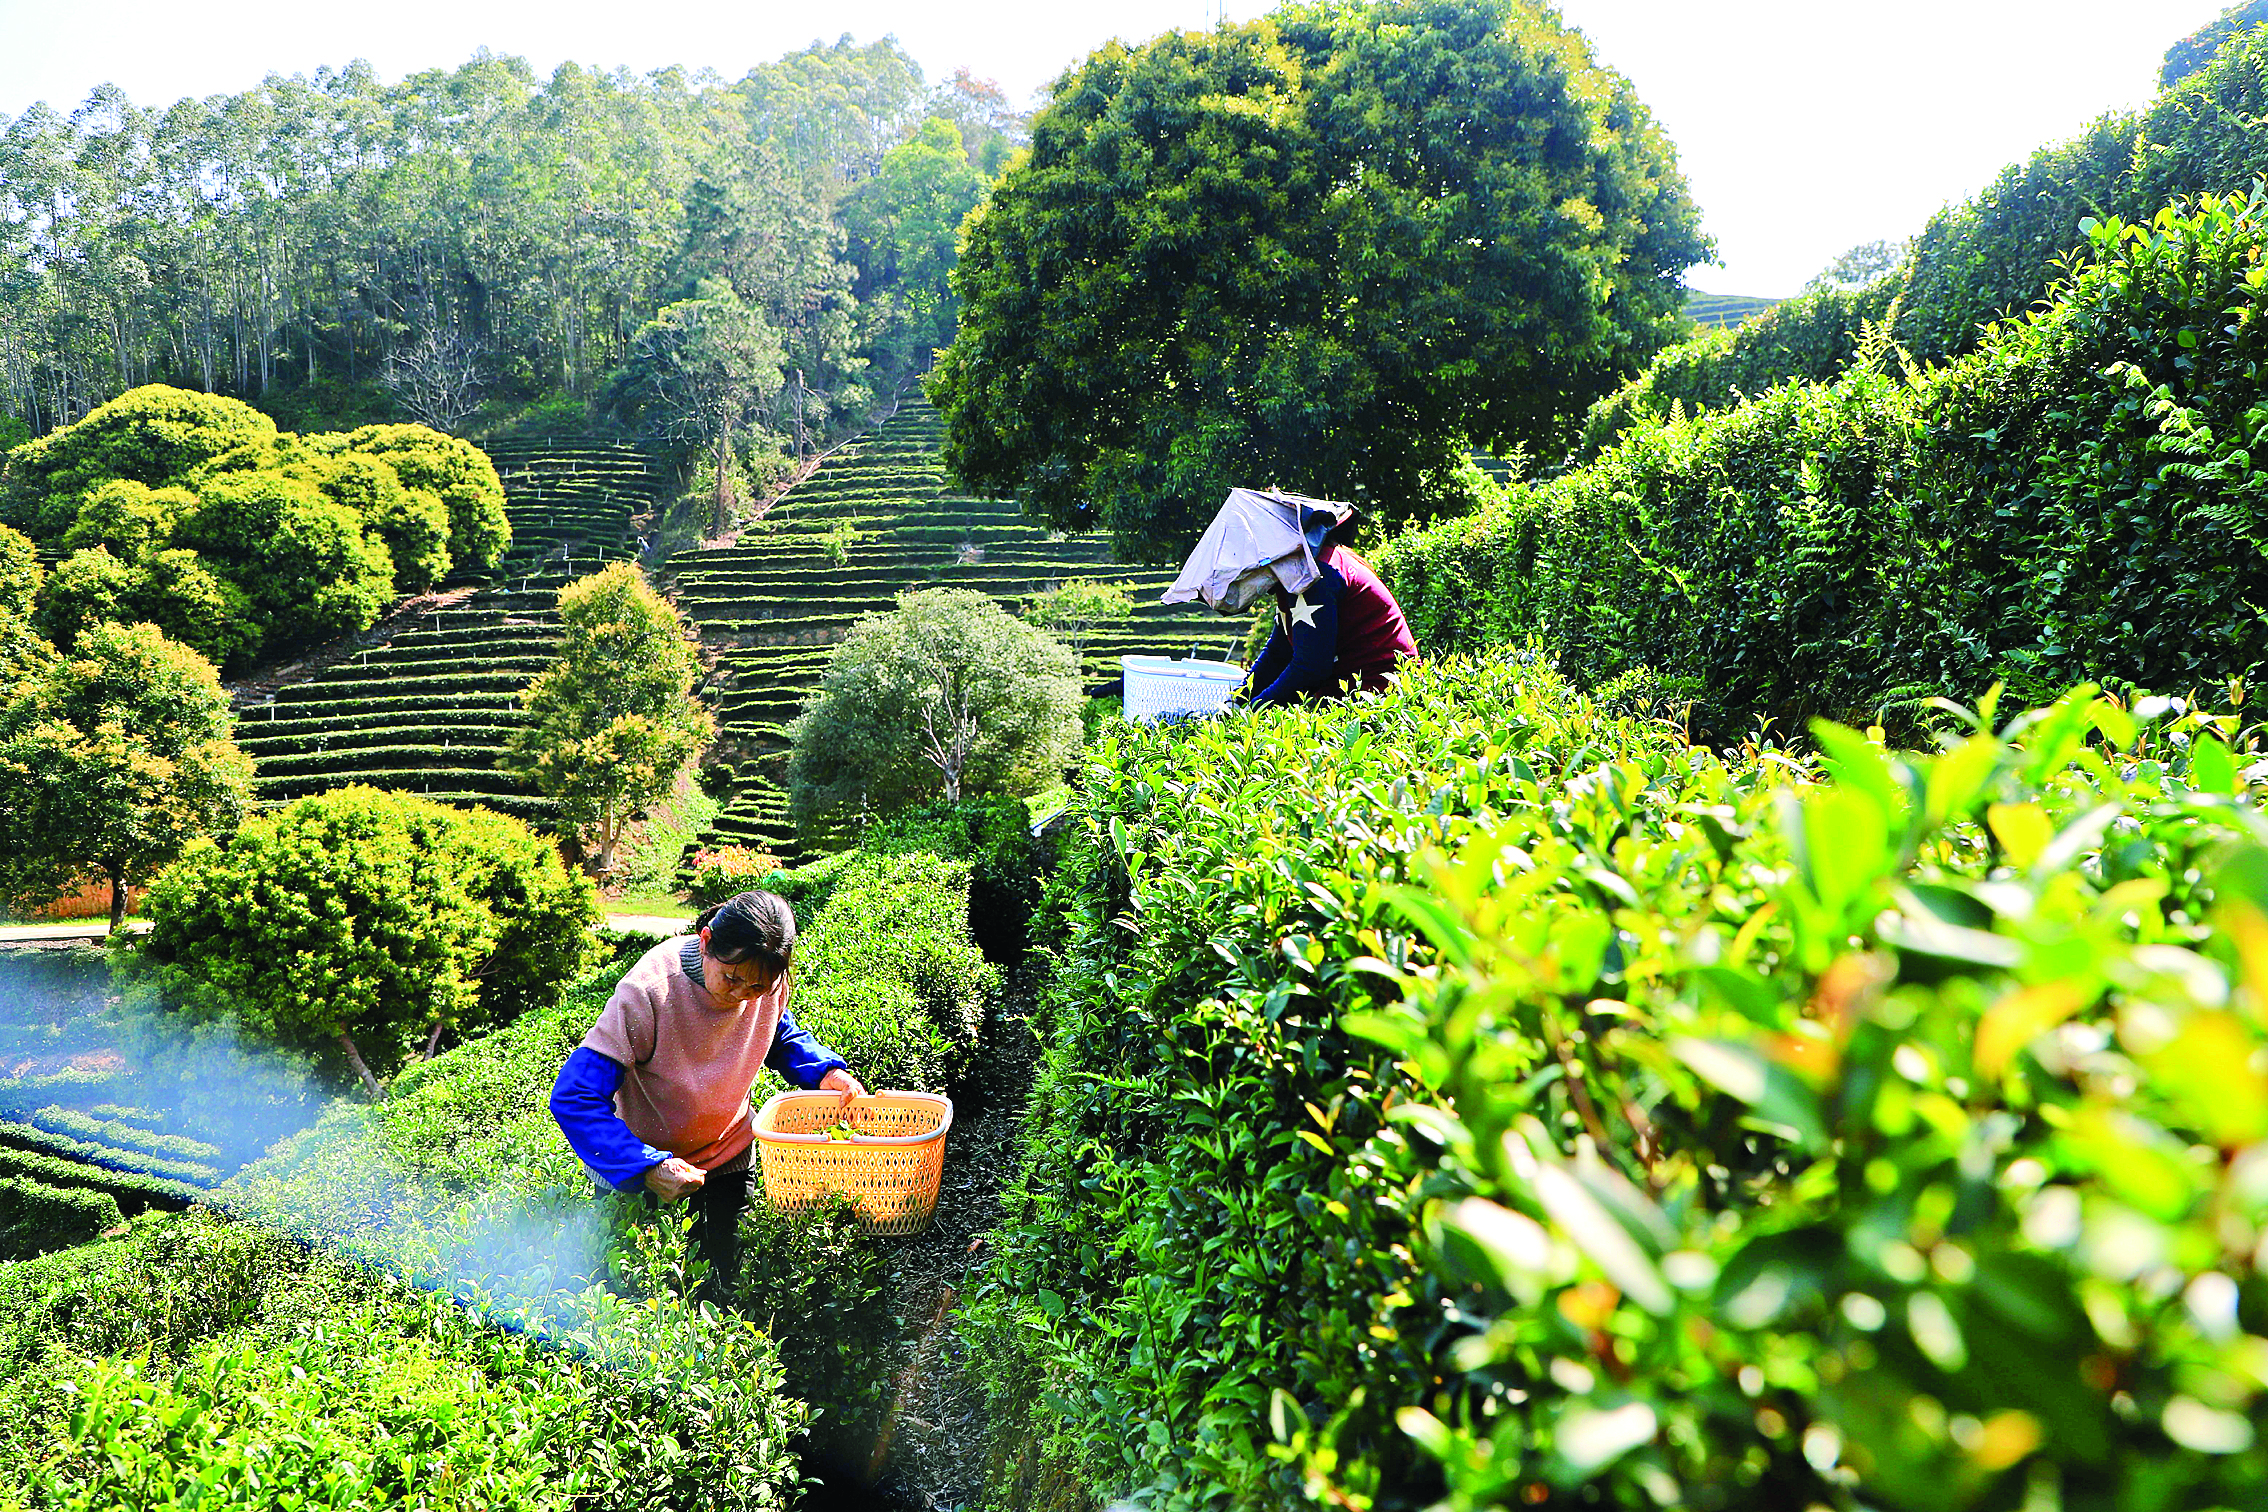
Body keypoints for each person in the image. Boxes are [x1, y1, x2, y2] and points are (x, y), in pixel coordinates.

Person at [548, 890, 865, 1303]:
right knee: (631, 1298)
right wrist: (645, 1165)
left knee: (718, 1289)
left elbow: (777, 1032)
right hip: (642, 1162)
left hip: (725, 1155)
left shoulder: (767, 983)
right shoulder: (649, 992)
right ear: (706, 941)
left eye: (756, 987)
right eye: (732, 979)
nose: (741, 996)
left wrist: (826, 1072)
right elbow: (576, 1096)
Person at [1239, 510, 1417, 706]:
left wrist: (1252, 711)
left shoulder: (1315, 574)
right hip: (1348, 688)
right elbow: (1278, 652)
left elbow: (1311, 668)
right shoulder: (1293, 573)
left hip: (1381, 692)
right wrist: (1235, 702)